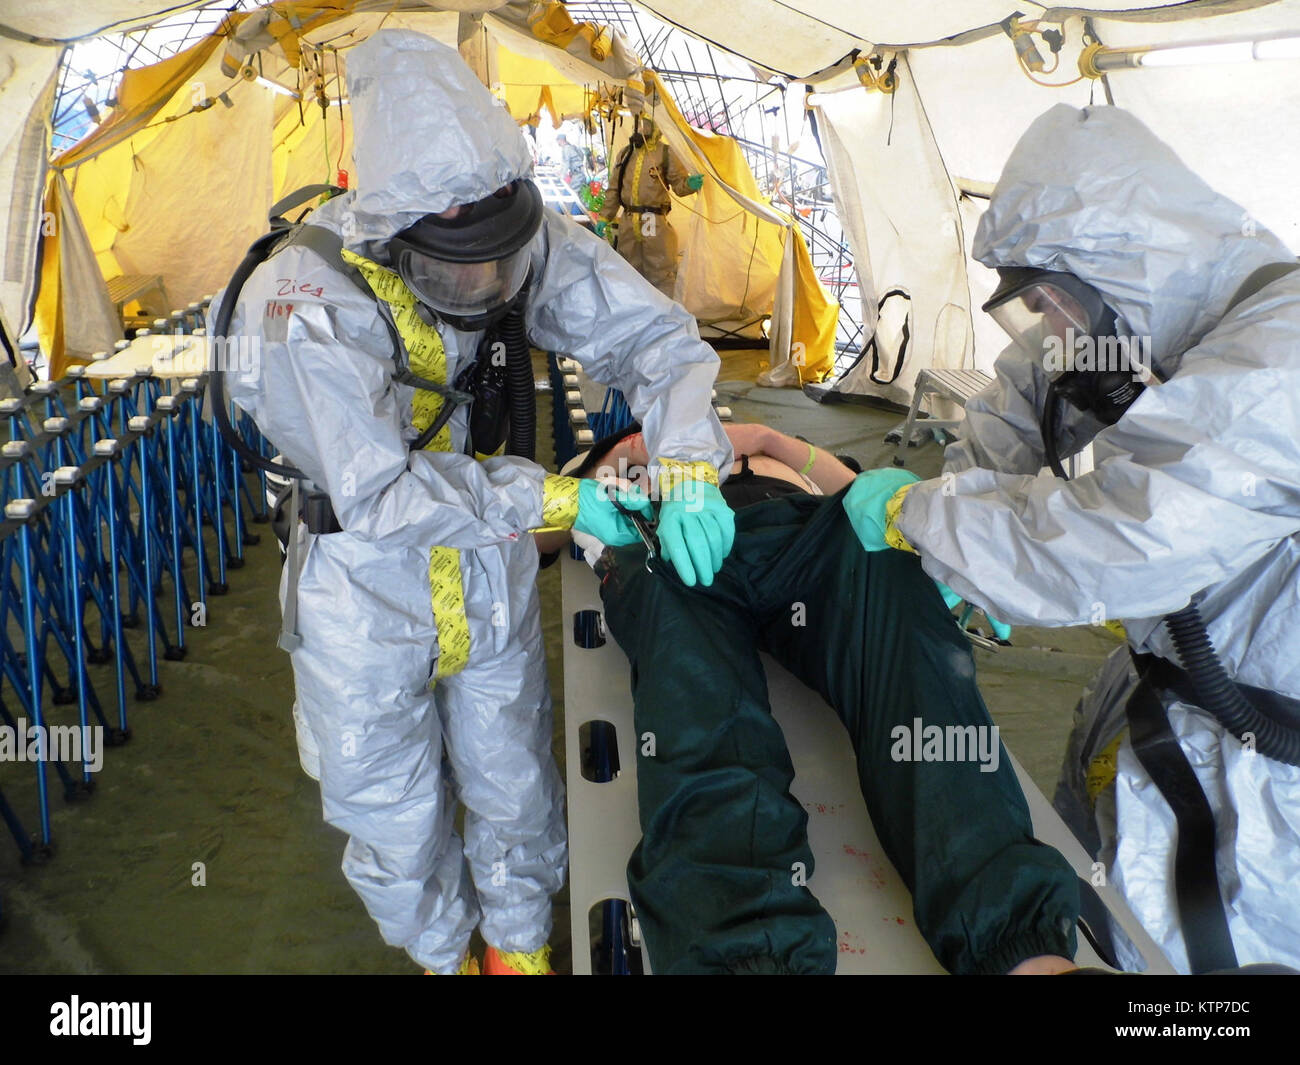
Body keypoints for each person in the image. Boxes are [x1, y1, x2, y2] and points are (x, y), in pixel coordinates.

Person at [222, 29, 736, 975]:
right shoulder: (303, 302)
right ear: (393, 228)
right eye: (458, 266)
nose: (486, 285)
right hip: (365, 590)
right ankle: (442, 955)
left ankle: (517, 951)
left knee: (515, 786)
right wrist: (552, 498)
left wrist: (692, 460)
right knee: (392, 808)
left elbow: (658, 341)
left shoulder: (511, 232)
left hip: (486, 568)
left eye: (498, 259)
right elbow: (378, 492)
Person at [843, 104, 1300, 973]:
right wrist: (954, 488)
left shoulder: (1277, 364)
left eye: (1052, 305)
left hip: (1265, 779)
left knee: (1180, 973)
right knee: (1081, 897)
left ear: (1117, 264)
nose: (1051, 332)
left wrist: (920, 518)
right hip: (1162, 700)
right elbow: (1035, 385)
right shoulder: (1166, 314)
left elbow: (1116, 542)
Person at [544, 420, 1083, 974]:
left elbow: (853, 491)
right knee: (696, 689)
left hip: (805, 540)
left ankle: (1022, 948)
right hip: (675, 553)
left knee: (888, 566)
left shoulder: (732, 440)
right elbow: (539, 529)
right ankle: (751, 954)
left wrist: (764, 440)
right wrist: (604, 481)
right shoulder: (601, 469)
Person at [597, 115, 704, 298]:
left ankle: (663, 310)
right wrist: (605, 216)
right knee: (628, 266)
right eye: (638, 123)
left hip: (653, 221)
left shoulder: (665, 153)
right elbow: (614, 189)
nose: (639, 128)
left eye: (645, 124)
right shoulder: (625, 154)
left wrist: (689, 184)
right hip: (629, 220)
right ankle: (632, 306)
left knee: (659, 269)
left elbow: (678, 185)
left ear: (656, 126)